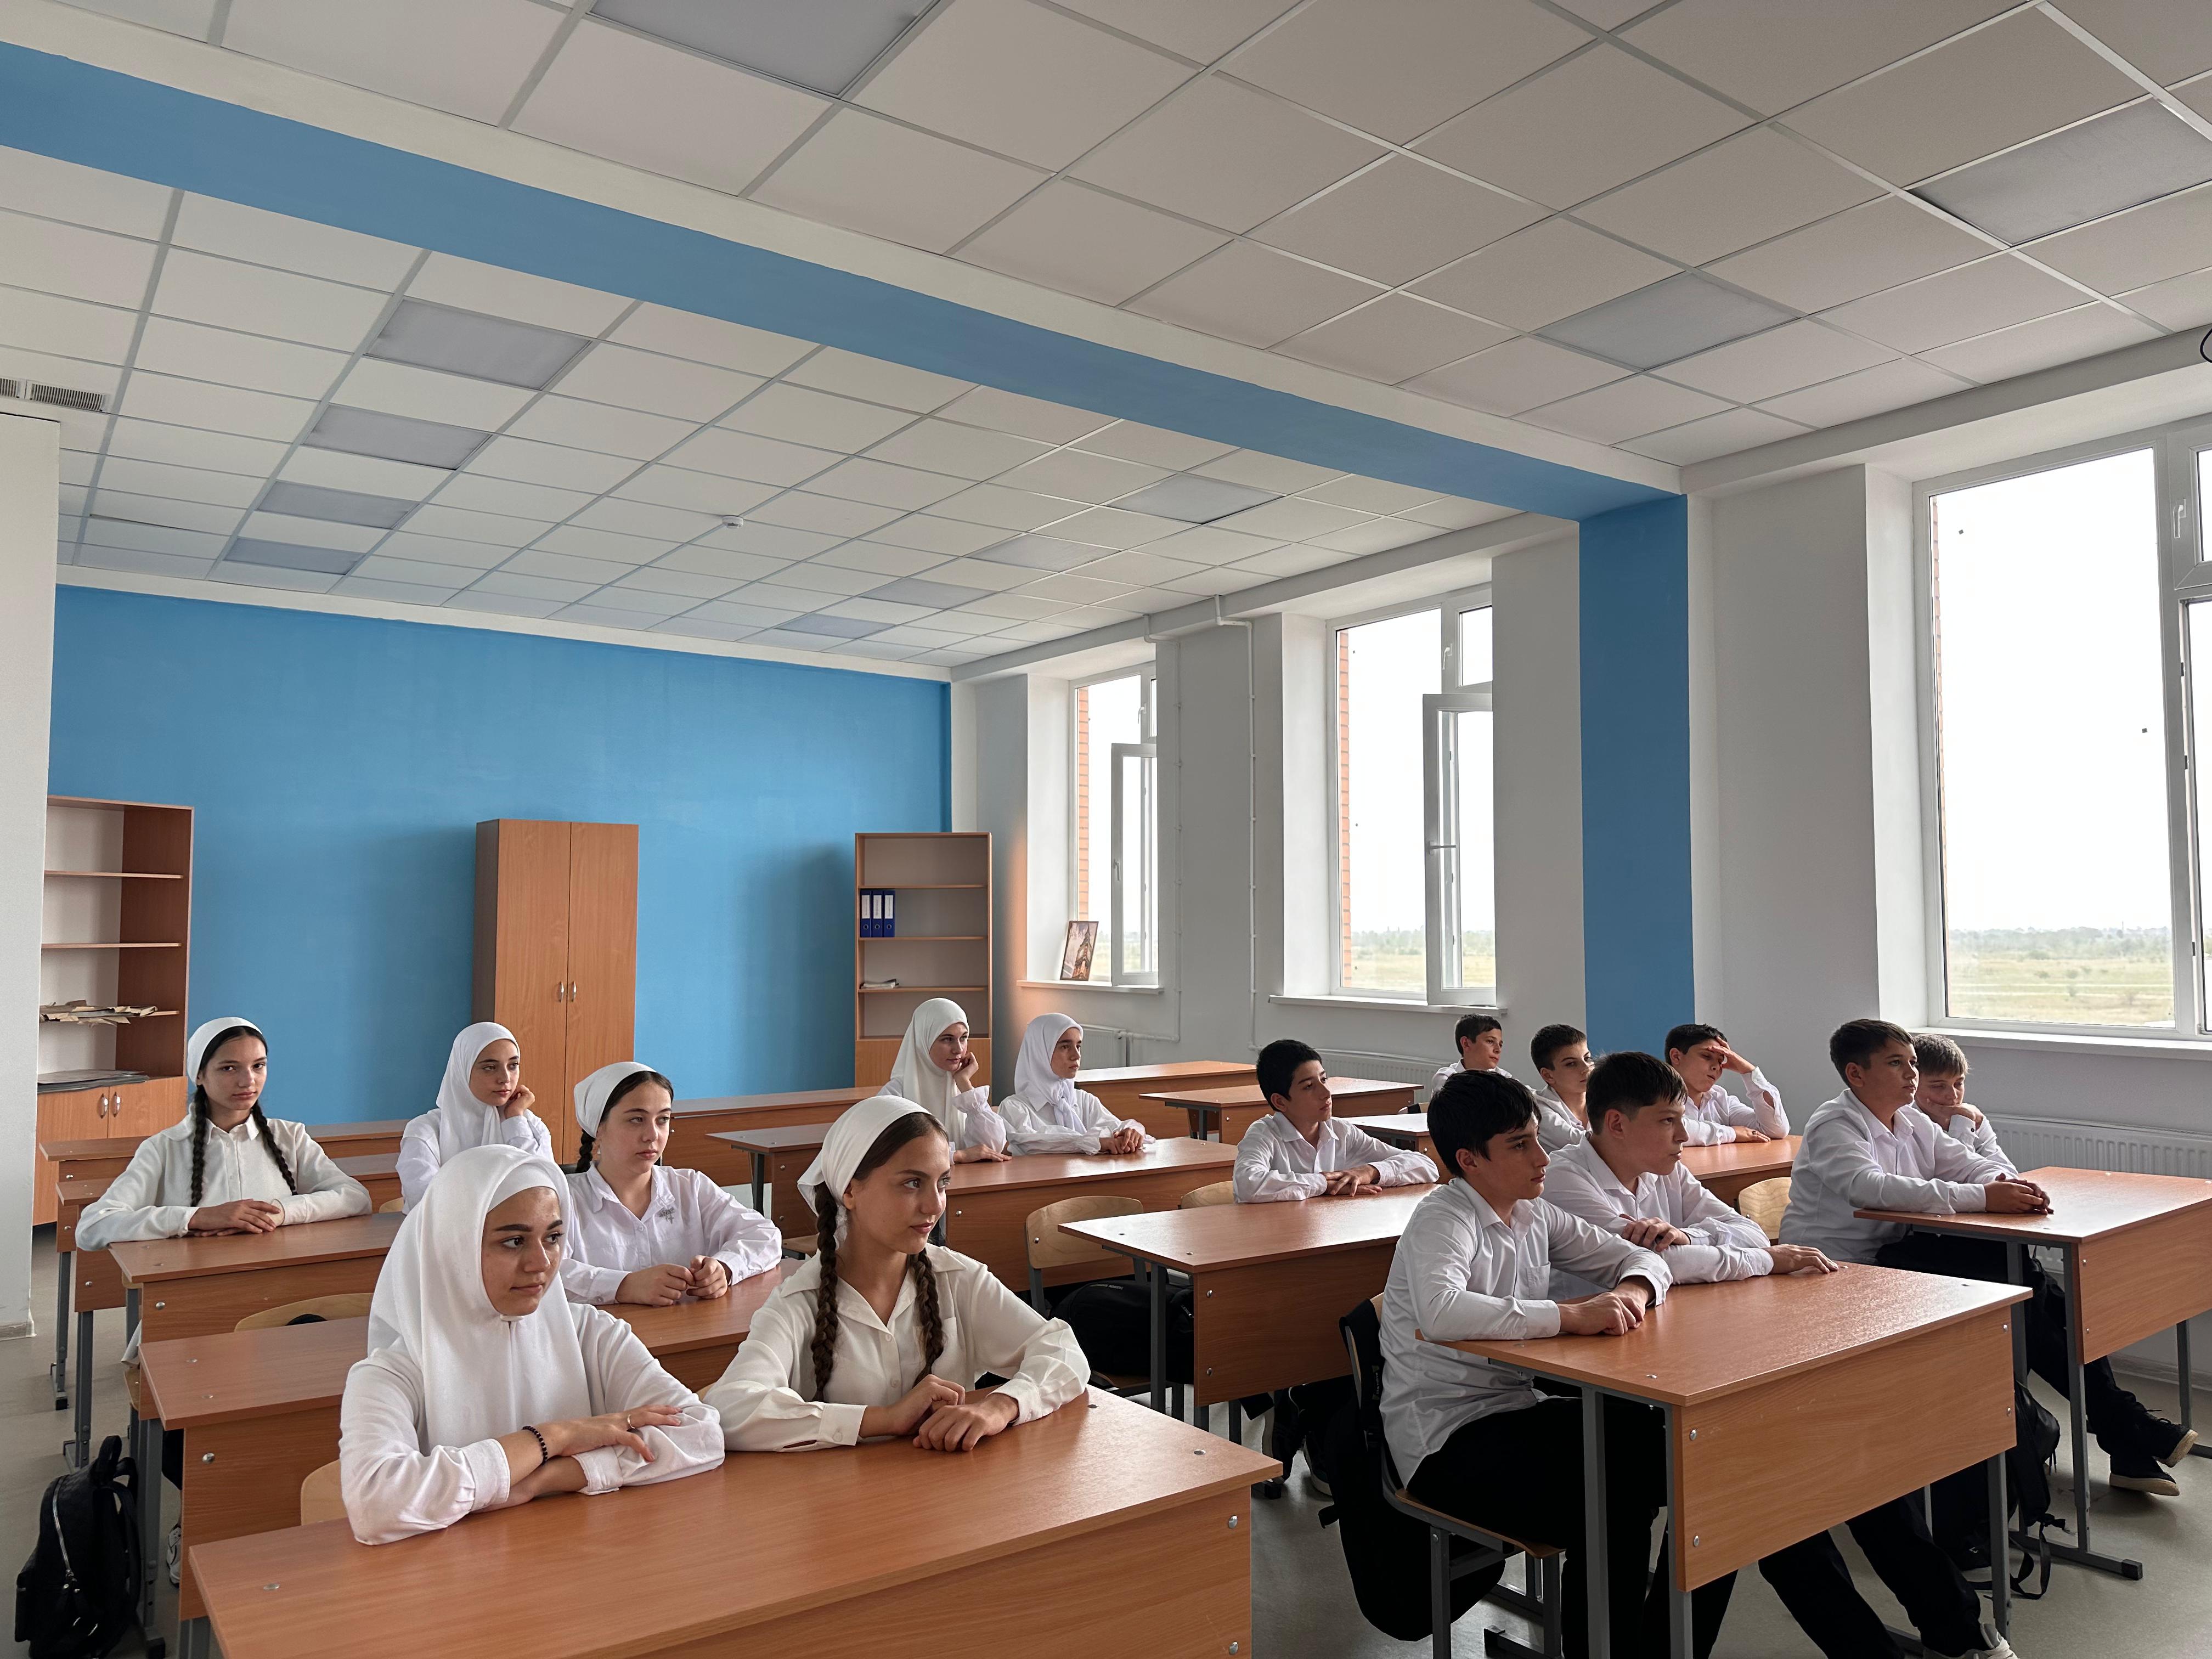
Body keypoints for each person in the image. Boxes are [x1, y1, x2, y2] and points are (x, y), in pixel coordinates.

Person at [1380, 1069, 1733, 1658]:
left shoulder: (1533, 1213)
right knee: (1613, 1499)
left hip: (1519, 1410)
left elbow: (1641, 1260)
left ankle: (1660, 1648)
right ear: (1470, 1160)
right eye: (1520, 1145)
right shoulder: (1444, 1218)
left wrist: (1631, 1292)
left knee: (1708, 1471)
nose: (1543, 1158)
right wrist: (1571, 1315)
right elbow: (1441, 1312)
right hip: (1445, 1441)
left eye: (1538, 1139)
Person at [1759, 1020, 2028, 1659]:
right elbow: (1872, 1190)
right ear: (1856, 1074)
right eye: (1896, 1064)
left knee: (2015, 1283)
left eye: (1912, 1063)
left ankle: (1987, 1466)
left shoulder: (1911, 1121)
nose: (1911, 1075)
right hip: (1830, 1284)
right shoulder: (1835, 1124)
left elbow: (1970, 1164)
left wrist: (1998, 1180)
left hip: (1886, 1274)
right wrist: (1981, 1196)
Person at [337, 1144, 723, 1544]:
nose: (541, 1263)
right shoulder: (390, 1372)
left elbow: (701, 1433)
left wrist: (549, 1478)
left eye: (553, 1238)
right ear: (454, 1246)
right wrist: (553, 1438)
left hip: (579, 1554)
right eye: (514, 1242)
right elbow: (376, 1505)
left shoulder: (591, 1333)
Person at [1897, 1033, 2194, 1498]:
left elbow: (2005, 1175)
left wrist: (1972, 1140)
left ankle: (2127, 1439)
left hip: (1975, 1248)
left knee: (2068, 1314)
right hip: (1925, 1254)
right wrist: (1963, 1132)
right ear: (1914, 1085)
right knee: (2035, 1312)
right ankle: (2130, 1432)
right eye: (1938, 1086)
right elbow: (1939, 1185)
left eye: (1959, 1084)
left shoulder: (1967, 1119)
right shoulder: (1906, 1124)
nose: (1952, 1096)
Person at [703, 1097, 1088, 1451]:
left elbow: (1063, 1351)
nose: (934, 1205)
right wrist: (882, 1420)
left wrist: (999, 1406)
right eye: (912, 1183)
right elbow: (732, 1406)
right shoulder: (798, 1303)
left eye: (942, 1183)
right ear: (850, 1192)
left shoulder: (958, 1279)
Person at [81, 1017, 373, 1367]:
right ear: (199, 1075)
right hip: (197, 1307)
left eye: (258, 1066)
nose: (248, 1081)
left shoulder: (290, 1137)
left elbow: (355, 1197)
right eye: (229, 1068)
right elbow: (93, 1226)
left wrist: (279, 1212)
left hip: (284, 1297)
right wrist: (196, 1218)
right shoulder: (164, 1148)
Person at [1543, 1051, 1836, 1289]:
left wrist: (1689, 1237)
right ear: (1617, 1124)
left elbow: (1752, 1234)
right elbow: (1656, 1263)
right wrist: (1767, 1261)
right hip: (1590, 1336)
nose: (1683, 1135)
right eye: (1667, 1121)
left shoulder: (1667, 1169)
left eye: (1681, 1120)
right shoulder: (1562, 1179)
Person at [560, 1062, 781, 1307]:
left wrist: (726, 1268)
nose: (653, 1135)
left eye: (663, 1119)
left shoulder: (690, 1187)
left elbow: (764, 1236)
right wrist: (623, 1286)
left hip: (690, 1328)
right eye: (636, 1119)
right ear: (598, 1127)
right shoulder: (562, 1198)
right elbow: (547, 1273)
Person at [1233, 1037, 1435, 1203]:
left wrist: (1371, 1171)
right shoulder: (1263, 1134)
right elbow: (1248, 1184)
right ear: (1280, 1102)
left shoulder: (1341, 1131)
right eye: (1309, 1087)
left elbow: (1425, 1166)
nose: (1326, 1093)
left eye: (1324, 1079)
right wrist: (1323, 1184)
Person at [397, 1022, 553, 1210]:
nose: (505, 1078)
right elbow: (429, 1208)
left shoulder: (529, 1126)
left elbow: (542, 1196)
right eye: (490, 1067)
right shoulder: (424, 1133)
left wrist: (515, 1120)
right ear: (463, 1070)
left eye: (513, 1065)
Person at [995, 1014, 1150, 1156]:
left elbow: (1115, 1126)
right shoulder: (1014, 1107)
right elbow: (1030, 1143)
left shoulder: (1084, 1100)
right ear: (1040, 1052)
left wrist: (1131, 1132)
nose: (1076, 1055)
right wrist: (1092, 1142)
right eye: (1065, 1047)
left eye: (1078, 1046)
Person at [875, 997, 1008, 1162]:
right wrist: (958, 1155)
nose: (958, 1049)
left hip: (967, 1177)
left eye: (963, 1038)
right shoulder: (895, 1094)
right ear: (924, 1041)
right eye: (947, 1039)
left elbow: (993, 1146)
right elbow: (893, 1153)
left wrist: (965, 1084)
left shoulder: (962, 1091)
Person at [1663, 1023, 1786, 1144]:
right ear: (1676, 1057)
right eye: (1707, 1056)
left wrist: (1749, 1072)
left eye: (1720, 1061)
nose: (1716, 1067)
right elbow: (1673, 1129)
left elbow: (1775, 1130)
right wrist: (1732, 1133)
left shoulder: (1721, 1099)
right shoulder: (1657, 1096)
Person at [1528, 1022, 1593, 1149]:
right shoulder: (1538, 1111)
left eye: (1587, 1059)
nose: (1586, 1068)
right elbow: (1586, 1144)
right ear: (1548, 1076)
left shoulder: (1605, 1099)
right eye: (1571, 1064)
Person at [1426, 1012, 1510, 1101]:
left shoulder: (1504, 1078)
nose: (1498, 1050)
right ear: (1466, 1043)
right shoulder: (1446, 1079)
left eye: (1500, 1045)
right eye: (1490, 1041)